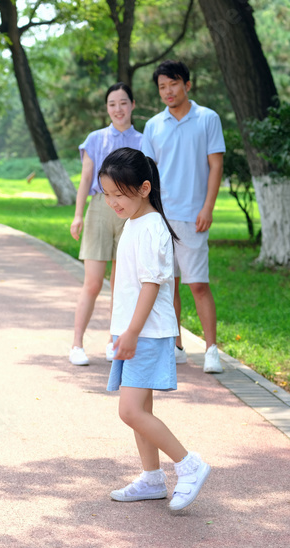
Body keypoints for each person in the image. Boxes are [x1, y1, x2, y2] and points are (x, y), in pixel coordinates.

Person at [100, 147, 211, 509]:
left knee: (129, 411)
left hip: (147, 332)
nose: (113, 202)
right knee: (141, 409)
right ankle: (152, 478)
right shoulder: (133, 223)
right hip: (133, 329)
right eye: (107, 195)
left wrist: (131, 332)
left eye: (119, 194)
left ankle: (189, 465)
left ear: (144, 188)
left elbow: (151, 285)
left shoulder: (151, 227)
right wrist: (120, 328)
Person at [141, 60, 225, 374]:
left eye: (173, 84)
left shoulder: (207, 118)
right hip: (161, 216)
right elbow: (147, 171)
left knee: (198, 285)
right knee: (168, 286)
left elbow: (215, 165)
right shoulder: (153, 125)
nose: (168, 91)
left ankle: (212, 349)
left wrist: (208, 208)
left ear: (187, 85)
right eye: (162, 86)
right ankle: (176, 347)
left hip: (193, 216)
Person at [68, 82, 143, 366]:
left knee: (121, 283)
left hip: (131, 211)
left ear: (132, 105)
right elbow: (86, 179)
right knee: (93, 282)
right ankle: (76, 344)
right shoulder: (95, 139)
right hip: (100, 207)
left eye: (123, 103)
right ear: (106, 108)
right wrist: (78, 214)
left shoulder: (142, 141)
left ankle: (115, 342)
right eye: (112, 104)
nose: (118, 109)